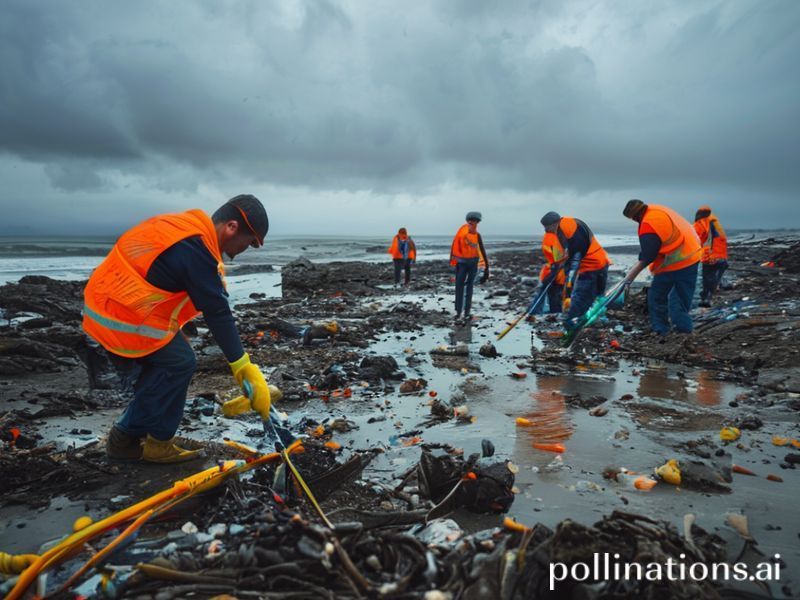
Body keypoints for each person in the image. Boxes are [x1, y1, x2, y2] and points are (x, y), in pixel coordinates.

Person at [83, 194, 273, 463]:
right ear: (231, 226)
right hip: (120, 315)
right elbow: (218, 312)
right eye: (251, 241)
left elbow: (167, 278)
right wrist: (243, 367)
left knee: (171, 361)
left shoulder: (187, 229)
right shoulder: (196, 250)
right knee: (180, 362)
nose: (251, 247)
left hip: (108, 301)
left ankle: (145, 436)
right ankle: (132, 439)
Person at [621, 199, 702, 335]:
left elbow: (648, 255)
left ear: (635, 216)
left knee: (661, 298)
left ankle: (668, 332)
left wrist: (629, 278)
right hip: (691, 254)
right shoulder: (657, 209)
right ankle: (680, 332)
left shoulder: (648, 224)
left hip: (675, 262)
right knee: (680, 299)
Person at [539, 212, 610, 326]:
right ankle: (598, 319)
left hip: (590, 266)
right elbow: (570, 253)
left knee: (581, 296)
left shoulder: (565, 227)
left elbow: (575, 257)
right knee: (597, 295)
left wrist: (568, 288)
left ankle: (572, 324)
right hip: (601, 261)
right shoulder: (568, 226)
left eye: (546, 227)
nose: (546, 230)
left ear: (553, 224)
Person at [449, 211, 489, 324]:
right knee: (462, 287)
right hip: (462, 264)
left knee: (467, 287)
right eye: (472, 221)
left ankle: (465, 312)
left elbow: (481, 250)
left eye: (475, 221)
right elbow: (454, 248)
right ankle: (459, 312)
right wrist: (453, 263)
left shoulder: (474, 235)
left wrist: (486, 268)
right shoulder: (462, 234)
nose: (473, 223)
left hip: (470, 263)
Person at [694, 205, 728, 307]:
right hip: (722, 256)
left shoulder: (702, 223)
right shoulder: (716, 223)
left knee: (707, 279)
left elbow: (694, 237)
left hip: (710, 256)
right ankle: (709, 296)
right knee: (714, 279)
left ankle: (706, 299)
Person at [531, 231, 566, 314]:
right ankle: (554, 312)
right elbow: (558, 259)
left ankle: (535, 311)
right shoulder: (553, 239)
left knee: (549, 294)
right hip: (555, 274)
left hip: (553, 273)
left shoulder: (549, 238)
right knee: (554, 295)